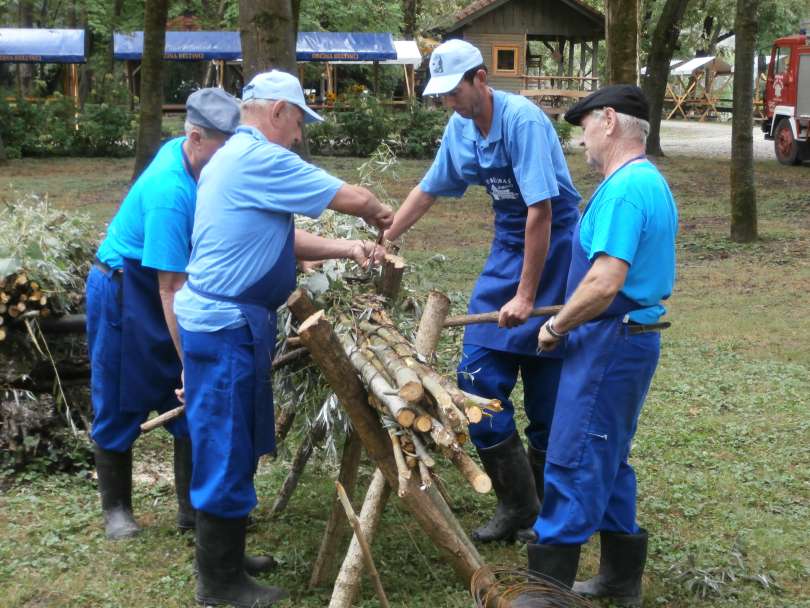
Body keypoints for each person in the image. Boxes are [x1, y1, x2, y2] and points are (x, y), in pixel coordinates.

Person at [173, 70, 394, 608]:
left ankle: (227, 558)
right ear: (277, 112)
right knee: (226, 447)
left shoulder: (233, 156)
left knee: (236, 441)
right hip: (226, 327)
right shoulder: (261, 158)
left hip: (226, 323)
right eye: (298, 122)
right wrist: (382, 213)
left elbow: (279, 233)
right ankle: (219, 584)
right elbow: (350, 196)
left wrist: (345, 252)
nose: (298, 136)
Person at [384, 39, 580, 543]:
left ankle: (546, 510)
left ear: (481, 79)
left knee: (546, 384)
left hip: (554, 248)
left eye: (455, 91)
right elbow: (428, 188)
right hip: (508, 247)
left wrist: (527, 295)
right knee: (476, 374)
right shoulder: (461, 128)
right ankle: (517, 505)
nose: (449, 102)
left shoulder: (524, 121)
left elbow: (542, 211)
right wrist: (385, 240)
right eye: (442, 94)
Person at [520, 85, 678, 608]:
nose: (581, 138)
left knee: (575, 453)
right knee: (608, 454)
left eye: (584, 125)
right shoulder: (644, 180)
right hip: (626, 338)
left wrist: (558, 325)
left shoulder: (627, 189)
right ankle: (619, 577)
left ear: (608, 121)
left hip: (611, 340)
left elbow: (606, 280)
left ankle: (546, 593)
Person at [86, 88, 240, 541]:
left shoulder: (192, 159)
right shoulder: (170, 193)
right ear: (195, 136)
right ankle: (116, 508)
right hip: (124, 288)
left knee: (187, 400)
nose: (229, 158)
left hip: (164, 284)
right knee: (118, 395)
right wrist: (192, 357)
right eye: (223, 148)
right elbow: (170, 288)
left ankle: (193, 510)